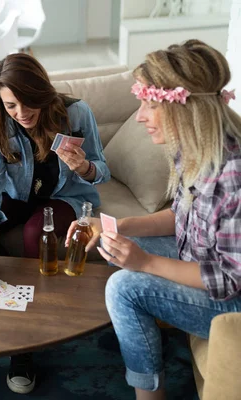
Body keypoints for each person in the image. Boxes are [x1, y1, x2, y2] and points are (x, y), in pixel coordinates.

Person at [64, 40, 241, 400]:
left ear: (183, 108)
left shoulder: (233, 175)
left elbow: (227, 279)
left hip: (232, 302)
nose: (140, 115)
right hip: (204, 264)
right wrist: (114, 224)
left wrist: (145, 263)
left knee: (124, 288)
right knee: (116, 244)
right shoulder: (193, 148)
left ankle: (149, 395)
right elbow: (181, 216)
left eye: (149, 104)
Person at [0, 53, 110, 394]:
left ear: (42, 91)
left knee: (36, 234)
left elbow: (103, 170)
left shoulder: (77, 113)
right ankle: (8, 303)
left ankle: (26, 341)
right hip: (17, 195)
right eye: (11, 105)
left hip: (66, 196)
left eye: (28, 102)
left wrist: (84, 167)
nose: (22, 113)